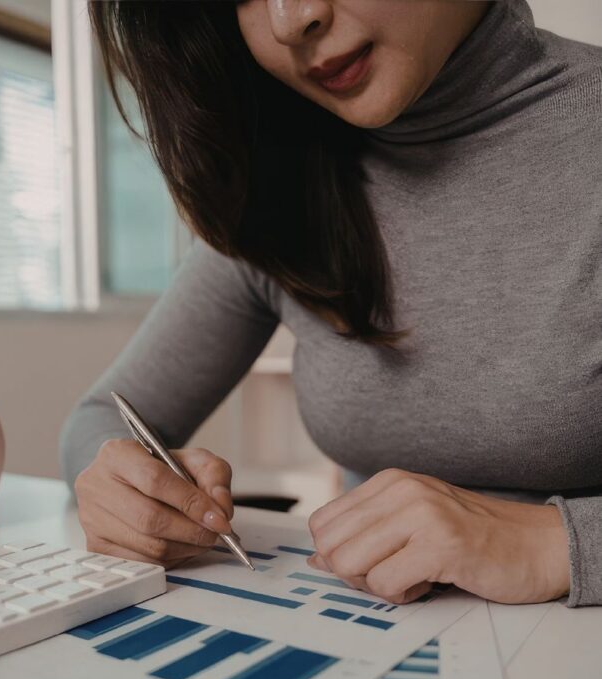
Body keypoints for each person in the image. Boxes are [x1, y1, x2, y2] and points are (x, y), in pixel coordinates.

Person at [60, 0, 602, 607]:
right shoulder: (276, 181)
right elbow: (102, 418)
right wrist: (128, 493)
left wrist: (556, 543)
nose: (290, 20)